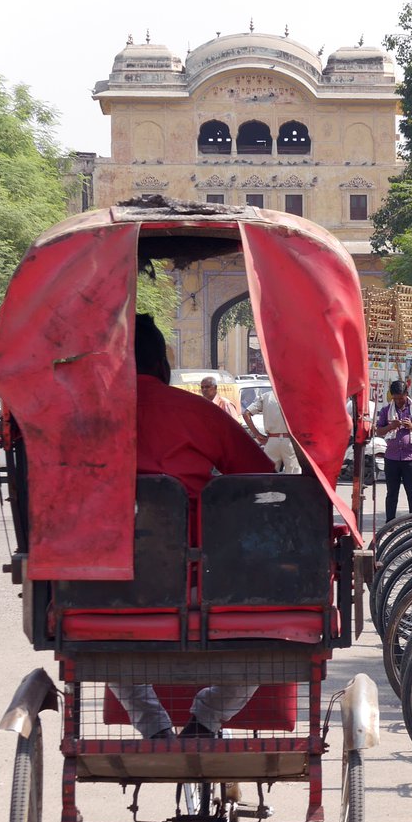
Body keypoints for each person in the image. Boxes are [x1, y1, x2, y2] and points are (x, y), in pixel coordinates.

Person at [112, 314, 274, 739]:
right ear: (163, 369)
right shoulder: (195, 412)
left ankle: (155, 730)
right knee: (268, 648)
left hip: (106, 584)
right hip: (197, 581)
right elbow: (259, 474)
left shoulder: (89, 418)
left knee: (103, 651)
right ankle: (206, 719)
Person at [376, 379, 412, 522]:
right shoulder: (386, 410)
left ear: (406, 394)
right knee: (392, 493)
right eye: (396, 398)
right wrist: (391, 426)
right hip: (391, 458)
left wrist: (411, 426)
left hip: (410, 458)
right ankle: (390, 522)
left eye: (401, 398)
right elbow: (379, 431)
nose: (399, 401)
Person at [242, 384, 301, 474]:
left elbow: (246, 414)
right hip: (290, 441)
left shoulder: (267, 396)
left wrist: (257, 434)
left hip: (271, 441)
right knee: (294, 476)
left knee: (268, 477)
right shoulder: (296, 397)